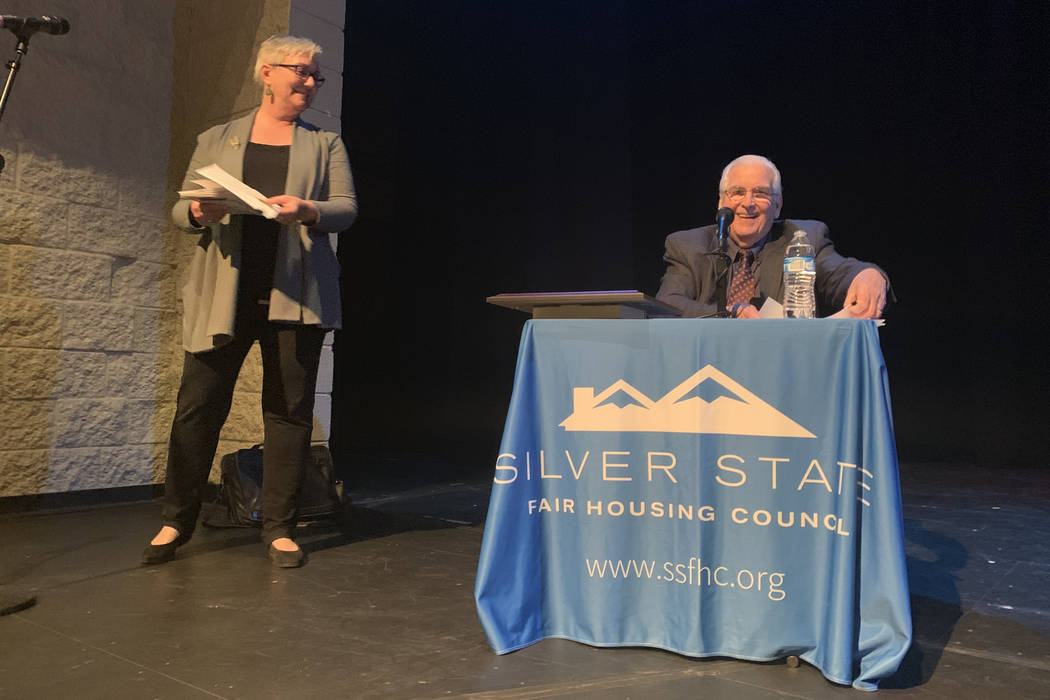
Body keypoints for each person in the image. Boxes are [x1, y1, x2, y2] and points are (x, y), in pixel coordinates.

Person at [143, 35, 357, 568]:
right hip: (225, 294)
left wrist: (307, 209)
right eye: (301, 72)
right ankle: (176, 520)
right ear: (267, 72)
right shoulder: (216, 139)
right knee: (197, 409)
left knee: (288, 412)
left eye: (315, 76)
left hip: (296, 294)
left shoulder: (325, 144)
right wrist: (199, 214)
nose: (309, 82)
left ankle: (281, 527)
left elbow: (346, 210)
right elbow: (180, 210)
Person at [656, 154, 888, 319]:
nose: (748, 203)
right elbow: (669, 302)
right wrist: (731, 313)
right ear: (721, 202)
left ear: (777, 205)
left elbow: (838, 271)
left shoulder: (802, 238)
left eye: (760, 193)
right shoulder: (687, 245)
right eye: (737, 192)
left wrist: (867, 274)